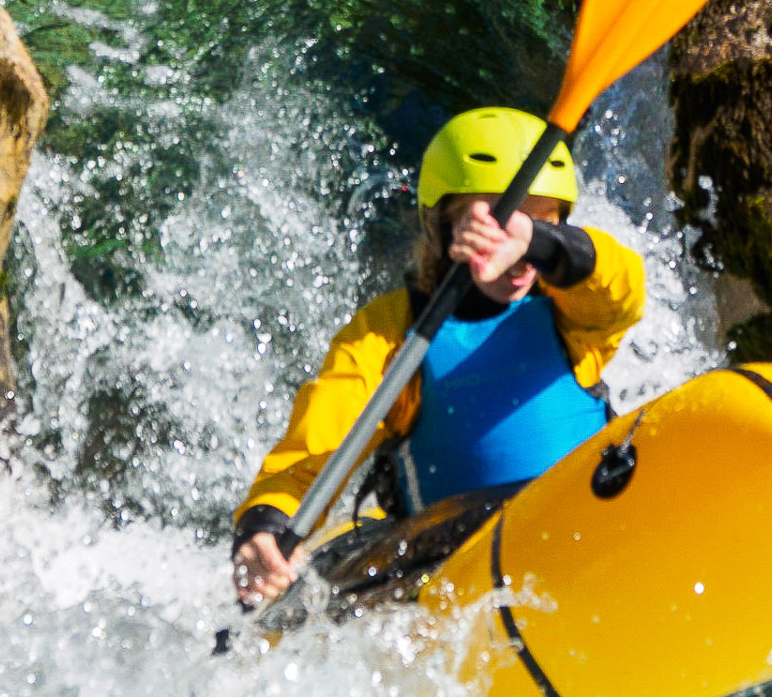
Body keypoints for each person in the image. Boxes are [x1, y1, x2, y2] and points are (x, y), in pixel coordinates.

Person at [231, 107, 646, 607]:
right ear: (442, 224)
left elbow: (623, 289)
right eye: (490, 223)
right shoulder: (390, 336)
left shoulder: (573, 316)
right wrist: (265, 525)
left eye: (541, 223)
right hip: (459, 576)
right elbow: (314, 456)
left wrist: (535, 242)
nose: (513, 251)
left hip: (587, 532)